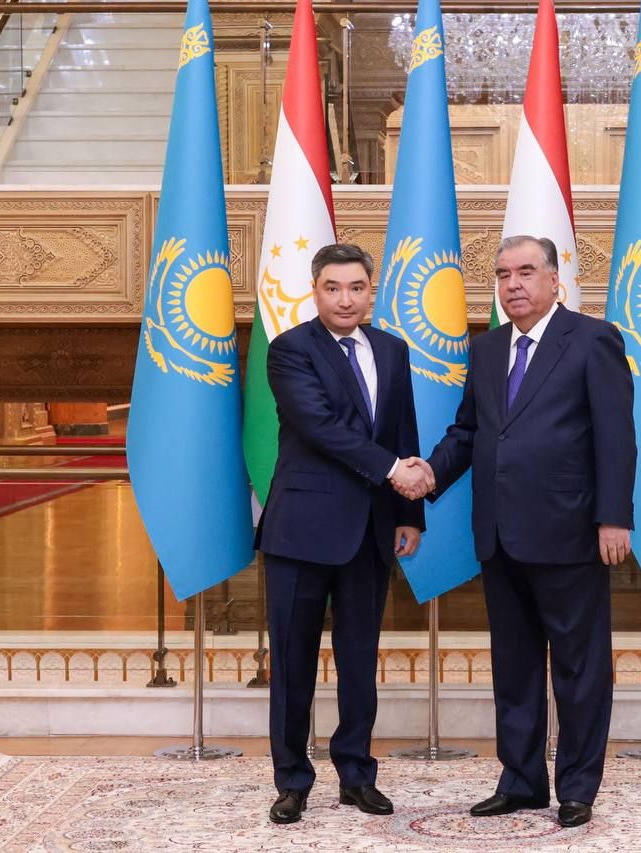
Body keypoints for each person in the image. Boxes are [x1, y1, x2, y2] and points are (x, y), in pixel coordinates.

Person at [407, 234, 636, 828]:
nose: (513, 284)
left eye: (527, 272)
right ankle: (521, 781)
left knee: (579, 668)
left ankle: (577, 787)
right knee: (514, 667)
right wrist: (430, 473)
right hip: (499, 534)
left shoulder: (593, 340)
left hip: (570, 532)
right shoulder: (486, 349)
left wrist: (614, 516)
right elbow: (469, 431)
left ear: (555, 280)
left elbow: (616, 436)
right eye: (504, 274)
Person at [256, 242, 433, 824]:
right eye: (332, 288)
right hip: (301, 532)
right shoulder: (290, 350)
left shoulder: (392, 349)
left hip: (371, 531)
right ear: (315, 291)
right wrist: (394, 470)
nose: (345, 299)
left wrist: (409, 513)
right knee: (293, 662)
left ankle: (356, 775)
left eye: (356, 287)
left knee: (359, 661)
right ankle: (292, 781)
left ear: (370, 291)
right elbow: (320, 426)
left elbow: (402, 429)